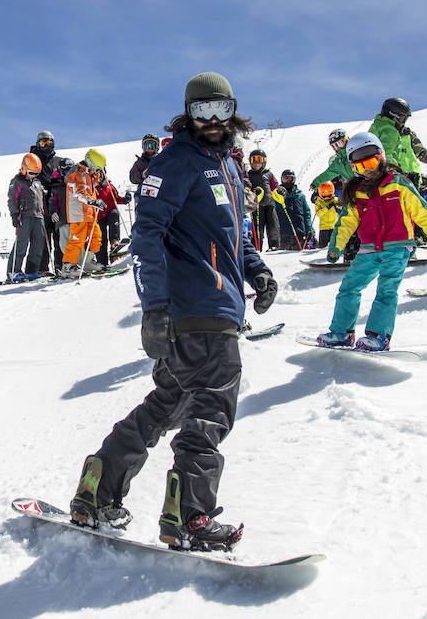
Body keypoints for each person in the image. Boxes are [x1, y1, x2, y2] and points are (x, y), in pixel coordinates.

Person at [69, 71, 276, 552]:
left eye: (220, 110)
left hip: (217, 305)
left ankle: (97, 493)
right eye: (200, 111)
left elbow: (235, 238)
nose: (210, 120)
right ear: (187, 114)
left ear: (233, 114)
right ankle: (189, 517)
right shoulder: (176, 162)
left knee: (168, 405)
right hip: (196, 309)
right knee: (212, 409)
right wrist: (154, 308)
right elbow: (146, 235)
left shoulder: (227, 167)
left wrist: (259, 272)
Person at [316, 132, 427, 351]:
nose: (366, 170)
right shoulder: (358, 191)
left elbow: (423, 213)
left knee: (386, 290)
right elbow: (346, 222)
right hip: (368, 249)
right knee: (349, 288)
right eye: (359, 168)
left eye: (370, 163)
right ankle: (342, 333)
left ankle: (378, 336)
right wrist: (335, 248)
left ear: (381, 157)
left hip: (397, 247)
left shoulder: (399, 184)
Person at [368, 97, 427, 188]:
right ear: (392, 115)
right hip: (397, 180)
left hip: (408, 181)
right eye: (402, 118)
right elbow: (384, 156)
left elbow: (422, 153)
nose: (403, 123)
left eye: (405, 119)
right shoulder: (385, 131)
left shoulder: (407, 135)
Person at [60, 150, 108, 277]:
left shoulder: (90, 175)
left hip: (90, 214)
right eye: (96, 167)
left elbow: (96, 184)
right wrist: (93, 202)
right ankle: (68, 266)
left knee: (96, 237)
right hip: (78, 213)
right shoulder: (76, 174)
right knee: (77, 240)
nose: (96, 170)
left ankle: (87, 262)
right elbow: (78, 193)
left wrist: (100, 175)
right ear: (90, 162)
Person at [6, 154, 47, 281]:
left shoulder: (37, 183)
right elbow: (12, 199)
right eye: (31, 172)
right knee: (21, 244)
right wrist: (14, 214)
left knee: (38, 244)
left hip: (38, 216)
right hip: (24, 216)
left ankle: (32, 270)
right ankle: (13, 271)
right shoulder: (17, 181)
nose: (33, 175)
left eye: (36, 173)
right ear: (23, 169)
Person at [28, 130, 62, 274]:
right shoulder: (35, 161)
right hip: (41, 205)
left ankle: (60, 266)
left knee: (60, 236)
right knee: (43, 238)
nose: (46, 146)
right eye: (43, 143)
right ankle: (42, 268)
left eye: (48, 143)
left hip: (57, 204)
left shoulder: (58, 161)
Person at [93, 165, 131, 264]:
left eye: (101, 174)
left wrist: (125, 199)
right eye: (97, 174)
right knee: (101, 239)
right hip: (99, 216)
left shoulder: (109, 186)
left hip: (109, 213)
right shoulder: (93, 187)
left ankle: (114, 242)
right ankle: (102, 263)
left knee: (114, 213)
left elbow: (116, 198)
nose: (99, 176)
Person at [247, 149, 281, 251]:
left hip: (269, 204)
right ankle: (257, 247)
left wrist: (280, 190)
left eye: (259, 160)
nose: (256, 163)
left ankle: (274, 246)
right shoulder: (249, 175)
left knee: (273, 226)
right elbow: (247, 187)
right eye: (253, 160)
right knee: (258, 228)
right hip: (256, 205)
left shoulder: (268, 174)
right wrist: (252, 190)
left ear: (264, 161)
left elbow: (275, 186)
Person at [308, 129, 356, 198]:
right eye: (335, 146)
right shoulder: (338, 162)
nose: (338, 148)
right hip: (353, 192)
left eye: (340, 143)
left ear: (346, 140)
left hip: (367, 186)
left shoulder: (355, 152)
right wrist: (316, 183)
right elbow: (328, 173)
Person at [275, 170, 311, 250]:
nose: (288, 181)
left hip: (299, 232)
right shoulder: (278, 197)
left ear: (294, 180)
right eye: (285, 178)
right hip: (283, 233)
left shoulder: (300, 196)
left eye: (290, 179)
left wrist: (309, 229)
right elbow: (273, 215)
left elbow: (306, 213)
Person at [314, 182, 341, 248]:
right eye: (324, 196)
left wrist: (338, 204)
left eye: (328, 196)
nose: (326, 198)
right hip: (324, 227)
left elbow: (342, 207)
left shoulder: (335, 199)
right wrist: (327, 207)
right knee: (322, 247)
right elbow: (318, 213)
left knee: (334, 246)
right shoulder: (319, 202)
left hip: (334, 226)